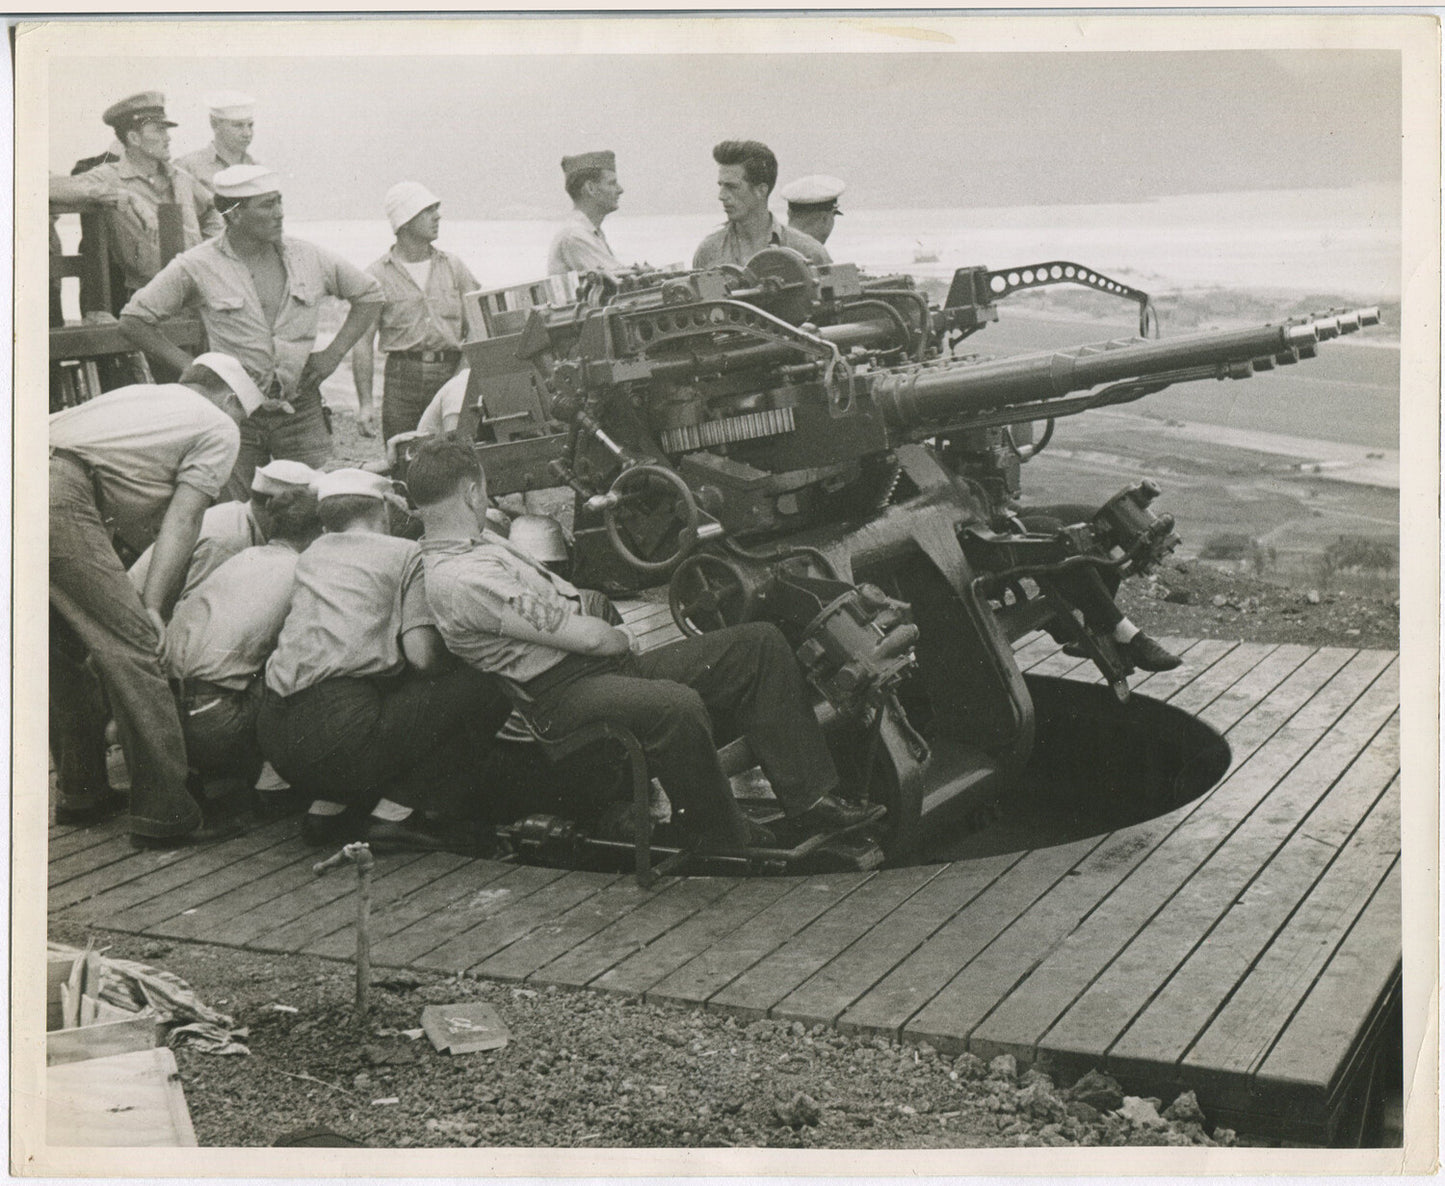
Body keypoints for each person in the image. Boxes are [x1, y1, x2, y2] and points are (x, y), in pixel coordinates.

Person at [406, 437, 869, 851]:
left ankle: (810, 799)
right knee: (676, 705)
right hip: (560, 693)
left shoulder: (474, 543)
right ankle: (717, 835)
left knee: (757, 646)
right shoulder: (463, 578)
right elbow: (590, 639)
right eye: (482, 490)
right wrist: (619, 634)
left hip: (590, 672)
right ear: (471, 493)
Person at [49, 352, 263, 847]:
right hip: (58, 494)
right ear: (230, 400)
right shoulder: (220, 426)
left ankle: (82, 789)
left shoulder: (144, 399)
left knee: (57, 646)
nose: (238, 431)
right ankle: (168, 811)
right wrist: (151, 605)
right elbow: (184, 520)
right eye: (241, 417)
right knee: (137, 647)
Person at [255, 469, 510, 848]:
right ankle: (395, 814)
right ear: (384, 510)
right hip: (338, 733)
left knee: (371, 679)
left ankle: (325, 813)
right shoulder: (408, 554)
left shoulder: (312, 554)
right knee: (485, 684)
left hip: (274, 736)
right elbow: (422, 657)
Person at [119, 165, 384, 500]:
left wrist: (333, 355)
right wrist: (190, 367)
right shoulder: (198, 264)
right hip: (234, 416)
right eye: (267, 205)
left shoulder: (309, 257)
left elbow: (370, 295)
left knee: (319, 501)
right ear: (234, 214)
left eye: (279, 202)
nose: (279, 214)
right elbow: (133, 320)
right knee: (236, 509)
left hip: (300, 408)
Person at [161, 486, 322, 813]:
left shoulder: (244, 556)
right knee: (315, 663)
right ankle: (274, 782)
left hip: (165, 717)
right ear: (320, 533)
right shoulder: (303, 571)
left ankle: (226, 776)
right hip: (214, 723)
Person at [350, 182, 480, 442]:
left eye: (436, 209)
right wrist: (365, 404)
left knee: (453, 457)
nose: (437, 216)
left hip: (450, 371)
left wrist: (461, 378)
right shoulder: (376, 276)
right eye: (427, 210)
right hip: (401, 381)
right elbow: (362, 342)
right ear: (405, 221)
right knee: (403, 457)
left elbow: (478, 328)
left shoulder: (454, 267)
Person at [82, 92, 223, 315]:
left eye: (166, 130)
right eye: (159, 130)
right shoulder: (111, 177)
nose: (168, 138)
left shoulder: (181, 177)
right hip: (148, 300)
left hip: (198, 297)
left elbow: (212, 211)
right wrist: (123, 196)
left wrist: (208, 251)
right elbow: (54, 188)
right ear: (134, 138)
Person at [127, 458, 319, 603]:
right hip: (141, 618)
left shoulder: (241, 517)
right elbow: (193, 610)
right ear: (273, 505)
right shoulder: (229, 541)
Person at [1018, 503, 1182, 672]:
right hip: (991, 524)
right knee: (1062, 538)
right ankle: (1125, 633)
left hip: (1004, 510)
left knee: (1104, 521)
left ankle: (1095, 630)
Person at [693, 141, 830, 271]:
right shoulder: (708, 252)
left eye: (732, 187)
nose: (721, 195)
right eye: (721, 185)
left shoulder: (809, 252)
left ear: (761, 190)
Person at [545, 151, 626, 279]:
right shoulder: (575, 235)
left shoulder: (588, 232)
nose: (620, 190)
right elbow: (619, 280)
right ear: (590, 188)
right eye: (612, 183)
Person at [175, 91, 258, 191]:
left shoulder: (256, 168)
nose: (247, 133)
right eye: (238, 125)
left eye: (250, 125)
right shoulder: (188, 167)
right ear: (214, 124)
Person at [779, 175, 845, 247]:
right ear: (825, 218)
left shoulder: (770, 246)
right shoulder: (817, 255)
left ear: (789, 213)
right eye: (833, 216)